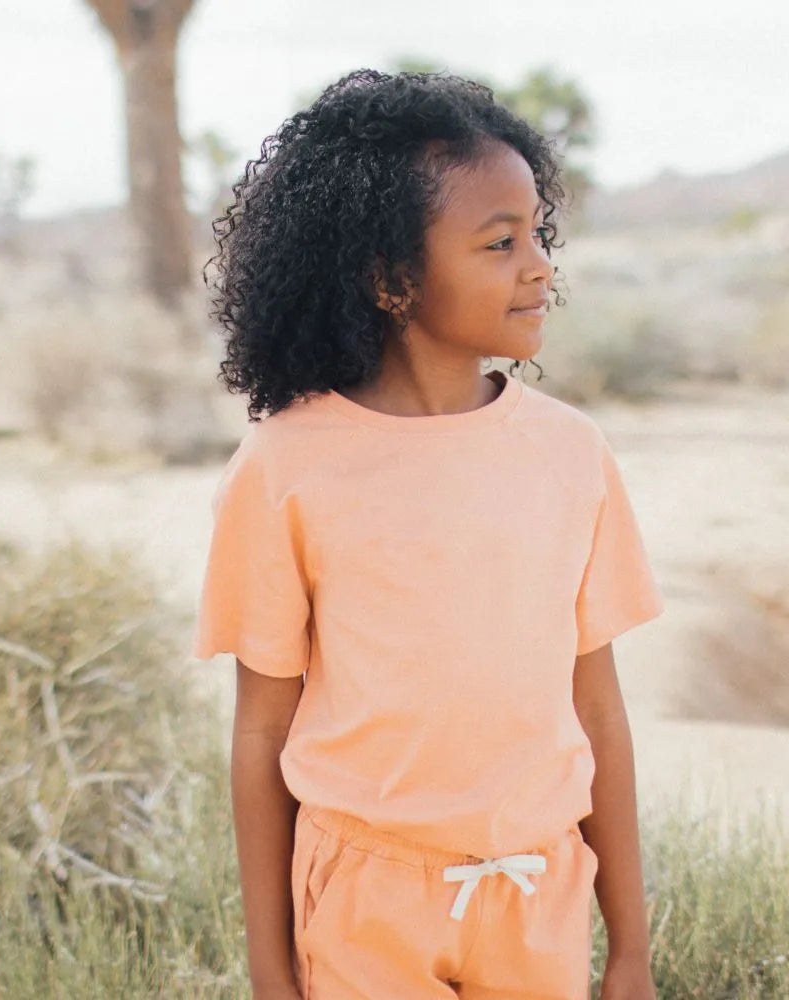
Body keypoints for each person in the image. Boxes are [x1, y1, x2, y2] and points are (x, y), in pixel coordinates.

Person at [191, 68, 665, 1000]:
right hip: (365, 905)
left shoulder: (571, 453)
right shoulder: (286, 467)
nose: (539, 266)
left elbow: (598, 708)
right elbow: (261, 731)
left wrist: (634, 949)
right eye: (499, 243)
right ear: (391, 279)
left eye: (537, 235)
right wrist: (271, 972)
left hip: (538, 896)